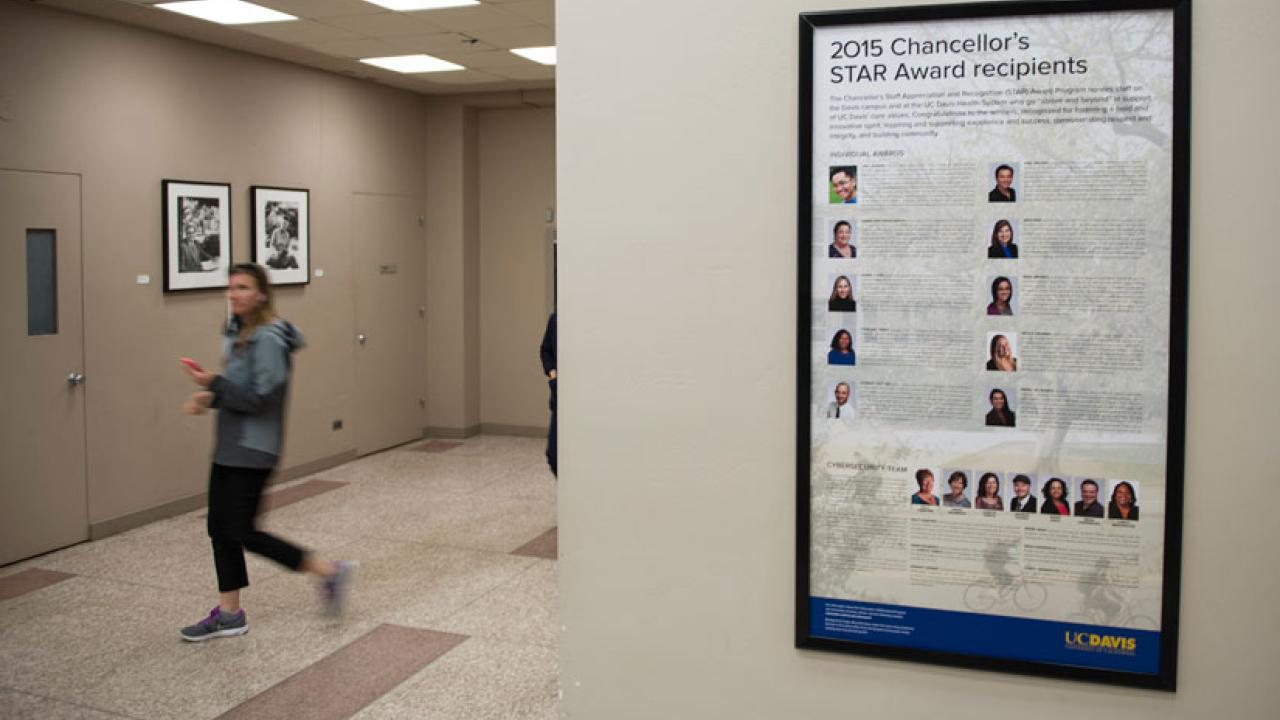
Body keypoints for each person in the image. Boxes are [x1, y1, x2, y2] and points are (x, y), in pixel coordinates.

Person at [177, 263, 353, 642]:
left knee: (243, 531)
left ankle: (327, 570)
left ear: (260, 294)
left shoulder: (270, 339)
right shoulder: (239, 333)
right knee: (219, 530)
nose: (234, 294)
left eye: (242, 287)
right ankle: (230, 614)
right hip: (230, 445)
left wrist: (214, 382)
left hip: (254, 450)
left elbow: (261, 399)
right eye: (231, 287)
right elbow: (239, 390)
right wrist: (208, 396)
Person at [540, 311, 557, 476]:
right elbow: (545, 350)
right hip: (560, 402)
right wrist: (552, 373)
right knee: (554, 455)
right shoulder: (555, 319)